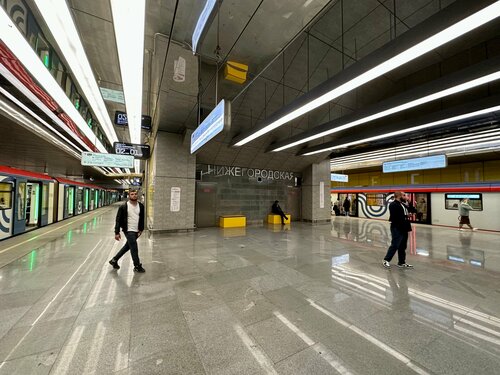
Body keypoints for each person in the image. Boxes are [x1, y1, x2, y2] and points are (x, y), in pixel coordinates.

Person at [109, 189, 146, 272]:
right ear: (129, 196)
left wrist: (141, 229)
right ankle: (137, 265)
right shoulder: (123, 207)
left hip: (137, 230)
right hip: (128, 230)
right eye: (132, 194)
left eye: (135, 194)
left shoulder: (141, 206)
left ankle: (114, 260)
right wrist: (117, 232)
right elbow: (118, 219)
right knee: (134, 247)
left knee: (127, 246)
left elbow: (142, 218)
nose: (134, 195)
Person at [383, 191, 415, 269]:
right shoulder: (393, 205)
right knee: (395, 244)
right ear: (399, 196)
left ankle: (401, 262)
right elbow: (394, 217)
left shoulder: (403, 204)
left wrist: (410, 202)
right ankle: (386, 260)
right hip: (397, 227)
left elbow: (413, 210)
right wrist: (406, 216)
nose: (406, 197)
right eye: (404, 195)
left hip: (404, 227)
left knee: (403, 246)